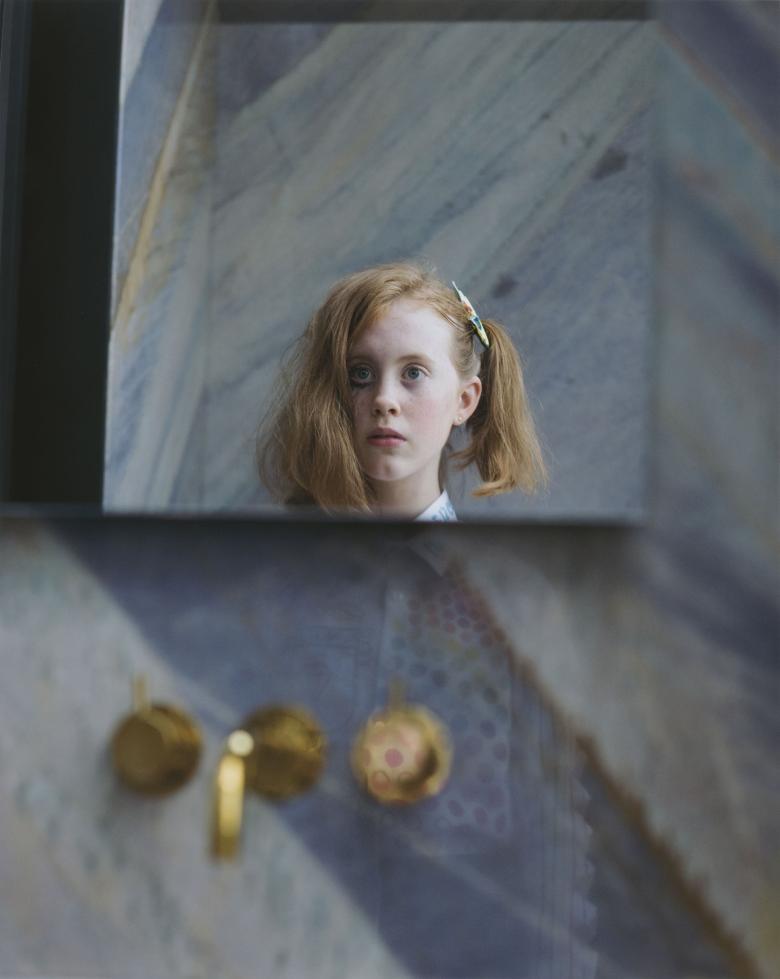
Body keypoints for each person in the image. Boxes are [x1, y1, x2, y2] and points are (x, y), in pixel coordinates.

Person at [257, 260, 548, 520]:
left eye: (413, 373)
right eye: (361, 373)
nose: (384, 399)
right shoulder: (281, 562)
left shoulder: (476, 575)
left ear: (464, 400)